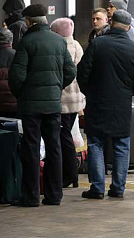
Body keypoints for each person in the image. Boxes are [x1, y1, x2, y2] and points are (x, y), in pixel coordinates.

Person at [8, 4, 76, 207]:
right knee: (54, 147)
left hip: (31, 107)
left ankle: (30, 196)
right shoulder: (59, 41)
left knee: (31, 148)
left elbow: (16, 76)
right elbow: (71, 72)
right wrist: (56, 87)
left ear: (28, 21)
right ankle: (54, 195)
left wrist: (23, 94)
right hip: (53, 105)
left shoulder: (26, 42)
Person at [78, 9, 134, 200]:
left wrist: (89, 91)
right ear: (129, 27)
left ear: (111, 22)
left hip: (97, 102)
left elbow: (82, 72)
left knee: (95, 144)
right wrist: (128, 92)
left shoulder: (97, 44)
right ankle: (118, 188)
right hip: (122, 104)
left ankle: (97, 188)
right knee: (121, 145)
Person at [50, 17, 86, 189]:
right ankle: (72, 175)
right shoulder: (77, 45)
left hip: (63, 99)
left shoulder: (58, 46)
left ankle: (70, 174)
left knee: (63, 137)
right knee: (67, 136)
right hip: (76, 99)